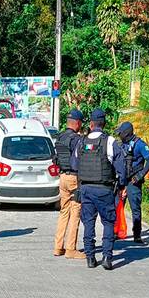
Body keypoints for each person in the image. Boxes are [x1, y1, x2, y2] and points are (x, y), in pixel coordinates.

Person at [74, 108, 126, 270]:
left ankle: (90, 257)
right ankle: (107, 258)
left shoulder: (81, 142)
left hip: (86, 189)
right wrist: (121, 186)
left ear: (90, 123)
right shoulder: (110, 142)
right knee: (109, 223)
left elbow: (75, 164)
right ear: (104, 124)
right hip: (104, 189)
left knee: (88, 223)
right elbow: (121, 168)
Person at [53, 109, 85, 260]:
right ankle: (71, 249)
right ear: (77, 123)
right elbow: (80, 160)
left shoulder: (59, 137)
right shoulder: (76, 139)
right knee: (75, 212)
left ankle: (58, 246)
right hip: (74, 178)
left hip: (62, 178)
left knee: (63, 212)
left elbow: (55, 158)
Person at [115, 121, 149, 244]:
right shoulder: (121, 145)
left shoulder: (140, 144)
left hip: (133, 181)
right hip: (121, 180)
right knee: (117, 206)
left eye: (120, 133)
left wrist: (140, 175)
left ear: (126, 133)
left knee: (135, 208)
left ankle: (137, 235)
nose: (119, 135)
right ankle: (116, 232)